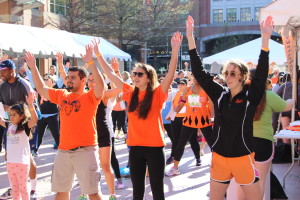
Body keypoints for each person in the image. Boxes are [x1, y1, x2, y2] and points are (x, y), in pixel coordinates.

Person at [186, 15, 273, 200]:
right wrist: (190, 38)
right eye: (226, 72)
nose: (229, 76)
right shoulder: (220, 94)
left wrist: (265, 40)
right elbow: (199, 73)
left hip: (243, 159)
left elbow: (262, 72)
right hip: (219, 158)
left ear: (242, 76)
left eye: (233, 73)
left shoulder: (251, 96)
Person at [92, 32, 182, 200]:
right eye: (134, 74)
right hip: (135, 148)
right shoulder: (129, 91)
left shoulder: (157, 93)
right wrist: (98, 54)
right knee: (137, 192)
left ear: (149, 78)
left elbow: (170, 75)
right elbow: (111, 74)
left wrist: (175, 49)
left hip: (155, 148)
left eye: (140, 74)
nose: (135, 77)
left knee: (157, 191)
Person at [24, 44, 105, 200]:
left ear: (83, 81)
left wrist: (91, 63)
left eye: (73, 78)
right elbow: (41, 87)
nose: (68, 80)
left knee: (93, 193)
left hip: (86, 150)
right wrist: (33, 67)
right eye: (68, 77)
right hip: (63, 151)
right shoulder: (61, 94)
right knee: (61, 192)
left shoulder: (90, 97)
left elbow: (100, 85)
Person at [236, 69, 294, 199]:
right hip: (263, 143)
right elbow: (286, 106)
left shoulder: (239, 96)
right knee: (260, 181)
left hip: (242, 142)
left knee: (243, 181)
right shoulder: (268, 96)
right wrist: (291, 100)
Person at [0, 59, 38, 199]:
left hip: (26, 123)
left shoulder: (24, 84)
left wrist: (19, 115)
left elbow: (31, 103)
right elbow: (2, 106)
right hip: (11, 123)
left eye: (3, 71)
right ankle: (14, 186)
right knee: (9, 154)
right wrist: (11, 115)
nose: (1, 73)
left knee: (27, 157)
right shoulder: (2, 86)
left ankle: (33, 189)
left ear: (11, 70)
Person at [165, 76, 213, 176]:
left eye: (197, 78)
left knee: (212, 143)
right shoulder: (187, 90)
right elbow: (181, 103)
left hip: (204, 120)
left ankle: (217, 163)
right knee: (180, 143)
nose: (195, 80)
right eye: (194, 78)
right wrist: (173, 114)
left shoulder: (207, 90)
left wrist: (212, 117)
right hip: (189, 120)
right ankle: (175, 168)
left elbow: (212, 106)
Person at [36, 74, 60, 151]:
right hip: (42, 116)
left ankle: (62, 151)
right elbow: (33, 80)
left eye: (47, 79)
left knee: (56, 134)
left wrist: (64, 68)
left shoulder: (55, 89)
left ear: (53, 82)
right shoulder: (40, 89)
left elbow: (61, 81)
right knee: (38, 134)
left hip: (52, 115)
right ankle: (34, 150)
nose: (45, 80)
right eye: (44, 79)